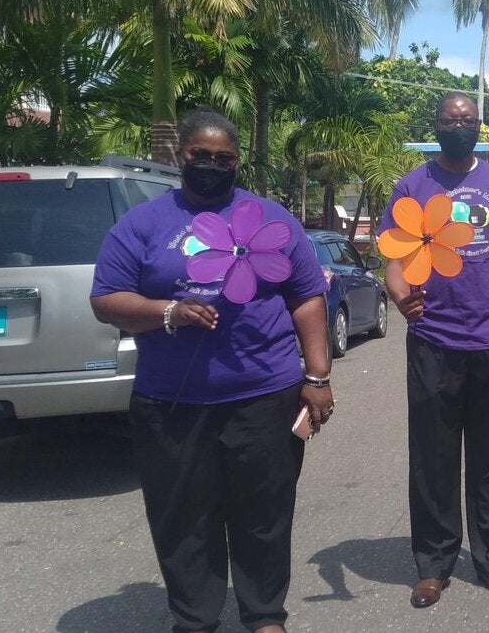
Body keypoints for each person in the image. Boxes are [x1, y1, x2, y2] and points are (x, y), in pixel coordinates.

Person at [90, 108, 333, 633]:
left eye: (224, 158)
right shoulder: (143, 224)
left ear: (237, 161)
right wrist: (167, 312)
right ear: (181, 155)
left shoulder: (272, 219)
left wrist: (317, 378)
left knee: (263, 514)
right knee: (183, 517)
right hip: (171, 402)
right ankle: (196, 618)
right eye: (201, 155)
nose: (212, 165)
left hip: (264, 395)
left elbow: (307, 297)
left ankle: (265, 615)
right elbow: (106, 300)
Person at [380, 92, 489, 609]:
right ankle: (433, 565)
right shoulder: (413, 185)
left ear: (480, 127)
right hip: (433, 342)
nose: (459, 125)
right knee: (433, 458)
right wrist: (400, 297)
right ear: (436, 125)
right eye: (450, 119)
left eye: (467, 119)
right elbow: (392, 257)